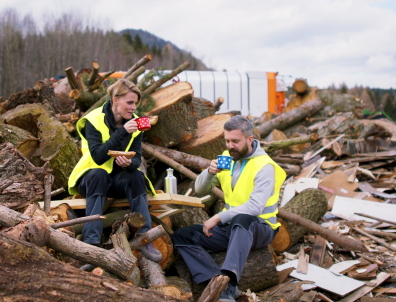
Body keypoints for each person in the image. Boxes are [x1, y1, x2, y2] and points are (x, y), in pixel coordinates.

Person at [171, 116, 286, 302]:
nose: (230, 145)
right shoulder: (228, 158)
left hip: (260, 228)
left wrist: (218, 217)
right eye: (227, 141)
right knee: (182, 236)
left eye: (235, 141)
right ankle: (217, 283)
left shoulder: (265, 166)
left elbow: (255, 207)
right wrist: (209, 173)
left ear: (249, 140)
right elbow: (200, 189)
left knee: (242, 219)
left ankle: (230, 284)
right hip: (231, 228)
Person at [67, 79, 161, 262]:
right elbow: (98, 157)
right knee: (99, 174)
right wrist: (122, 132)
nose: (134, 107)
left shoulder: (135, 123)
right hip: (90, 179)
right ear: (115, 100)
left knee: (136, 176)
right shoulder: (93, 120)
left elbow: (137, 157)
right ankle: (91, 241)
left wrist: (129, 164)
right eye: (130, 102)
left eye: (136, 103)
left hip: (116, 182)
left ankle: (144, 236)